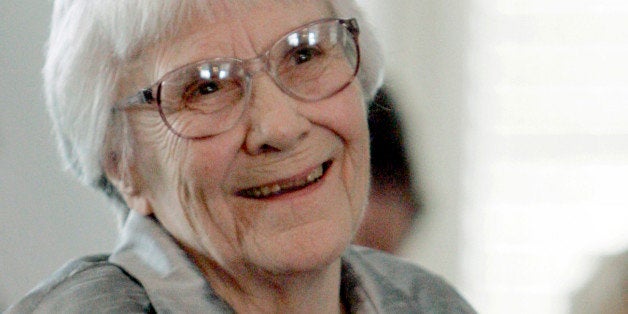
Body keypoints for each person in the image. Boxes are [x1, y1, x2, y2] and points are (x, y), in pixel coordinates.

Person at [7, 0, 475, 312]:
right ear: (121, 164)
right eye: (206, 87)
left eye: (305, 54)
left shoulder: (427, 304)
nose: (281, 127)